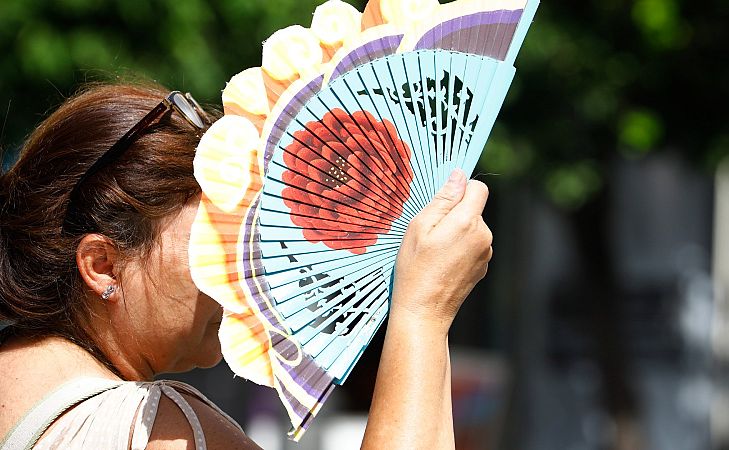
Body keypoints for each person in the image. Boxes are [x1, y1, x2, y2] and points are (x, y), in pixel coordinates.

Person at [0, 83, 493, 449]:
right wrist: (423, 312)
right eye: (216, 241)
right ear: (102, 265)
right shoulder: (158, 429)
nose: (244, 271)